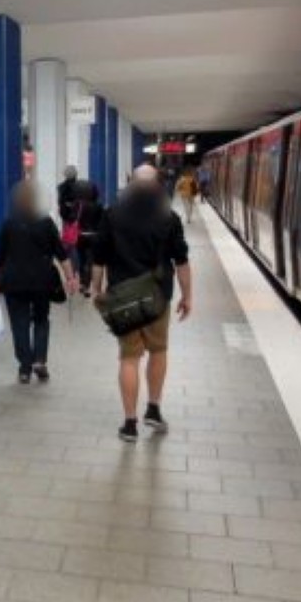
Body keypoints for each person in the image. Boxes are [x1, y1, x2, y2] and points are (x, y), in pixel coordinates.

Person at [90, 164, 192, 443]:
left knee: (129, 358)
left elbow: (99, 257)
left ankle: (130, 424)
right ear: (158, 185)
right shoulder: (169, 218)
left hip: (123, 298)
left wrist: (95, 288)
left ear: (131, 184)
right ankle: (154, 409)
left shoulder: (112, 214)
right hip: (157, 297)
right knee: (158, 351)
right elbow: (181, 261)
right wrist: (188, 295)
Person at [0, 181, 77, 383]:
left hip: (14, 282)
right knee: (41, 319)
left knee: (19, 323)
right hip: (41, 281)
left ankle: (24, 368)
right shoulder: (46, 223)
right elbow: (62, 254)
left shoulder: (9, 224)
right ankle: (39, 360)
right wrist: (70, 278)